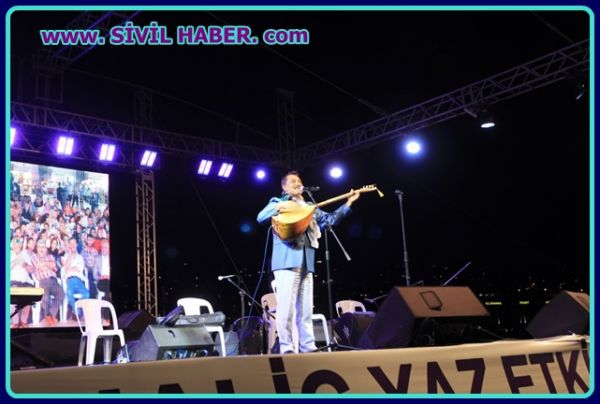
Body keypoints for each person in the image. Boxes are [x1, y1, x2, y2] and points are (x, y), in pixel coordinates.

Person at [257, 171, 360, 354]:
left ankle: (308, 346)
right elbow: (261, 217)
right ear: (284, 187)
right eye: (293, 181)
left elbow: (329, 220)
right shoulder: (278, 202)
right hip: (287, 262)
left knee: (305, 310)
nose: (298, 183)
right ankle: (286, 347)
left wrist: (349, 203)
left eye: (299, 181)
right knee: (286, 309)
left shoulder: (309, 207)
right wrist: (283, 205)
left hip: (307, 262)